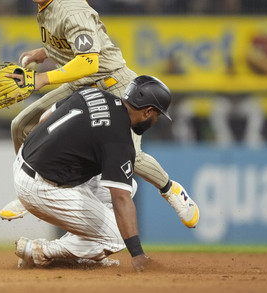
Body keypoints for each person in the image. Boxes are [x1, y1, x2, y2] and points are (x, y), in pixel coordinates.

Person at [0, 0, 197, 229]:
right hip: (82, 83)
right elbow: (70, 43)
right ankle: (31, 190)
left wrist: (42, 78)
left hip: (114, 84)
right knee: (21, 125)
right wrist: (45, 52)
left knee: (131, 153)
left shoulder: (71, 10)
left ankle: (172, 190)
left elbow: (90, 62)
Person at [12, 76, 198, 271]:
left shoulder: (92, 94)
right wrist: (137, 254)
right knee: (117, 238)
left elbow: (44, 119)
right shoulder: (119, 140)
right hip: (41, 187)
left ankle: (81, 251)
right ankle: (39, 250)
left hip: (23, 162)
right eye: (157, 115)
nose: (155, 119)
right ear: (148, 111)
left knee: (129, 185)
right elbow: (121, 200)